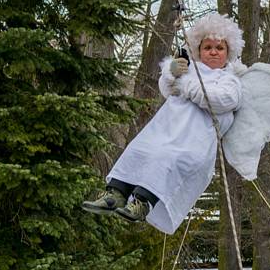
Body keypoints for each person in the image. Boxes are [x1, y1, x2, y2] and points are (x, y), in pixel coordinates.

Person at [82, 13, 247, 234]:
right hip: (168, 128)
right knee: (140, 150)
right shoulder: (191, 69)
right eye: (208, 47)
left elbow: (220, 100)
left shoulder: (230, 80)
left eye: (219, 47)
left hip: (193, 138)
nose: (214, 52)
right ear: (199, 49)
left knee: (165, 160)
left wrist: (186, 85)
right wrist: (171, 73)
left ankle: (142, 202)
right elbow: (167, 89)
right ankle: (116, 193)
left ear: (229, 52)